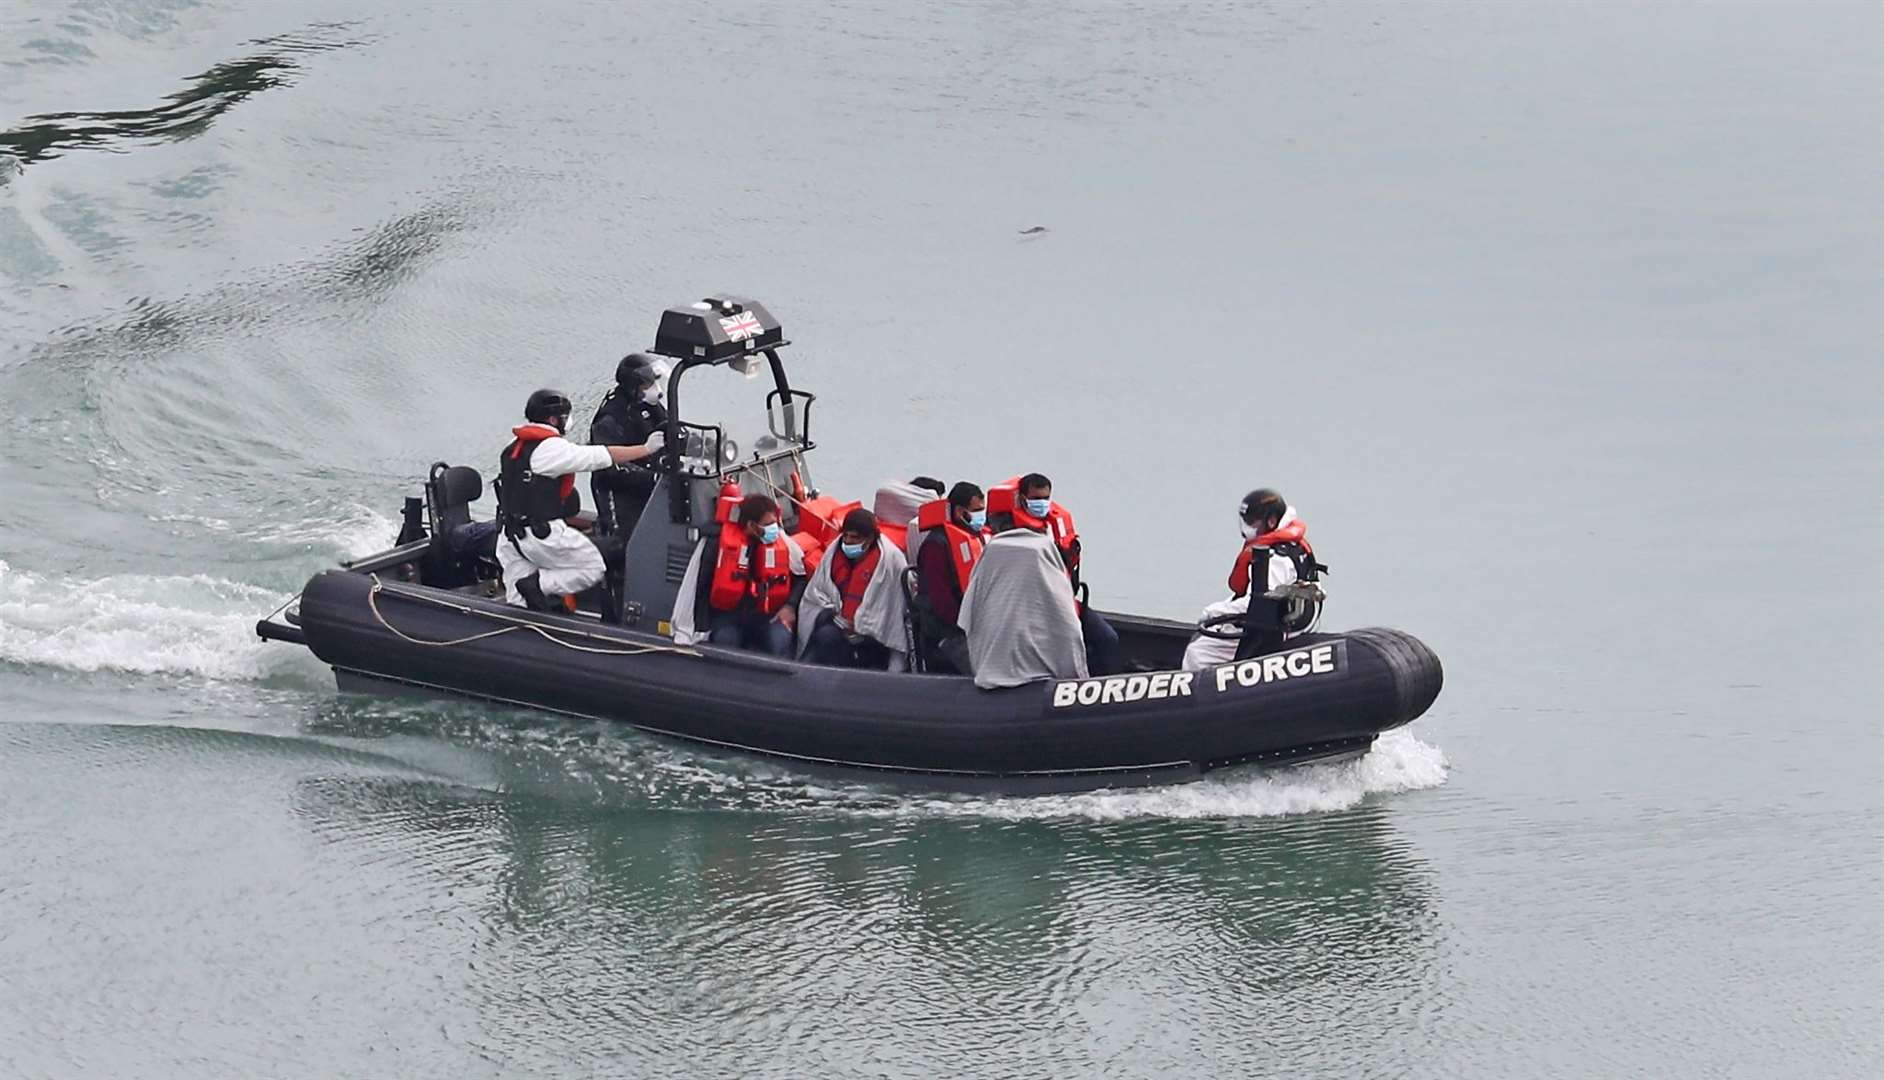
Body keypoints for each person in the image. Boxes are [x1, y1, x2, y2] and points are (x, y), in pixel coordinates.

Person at [497, 388, 665, 611]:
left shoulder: (514, 445)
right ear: (554, 419)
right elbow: (601, 456)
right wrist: (645, 449)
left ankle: (524, 625)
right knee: (592, 568)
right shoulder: (551, 448)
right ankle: (538, 584)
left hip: (510, 536)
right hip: (542, 536)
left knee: (517, 601)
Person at [1181, 488, 1323, 669]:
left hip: (1269, 628)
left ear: (1271, 521)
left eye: (1253, 522)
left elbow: (1257, 603)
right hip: (1284, 623)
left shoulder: (1275, 558)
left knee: (1198, 652)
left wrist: (1214, 611)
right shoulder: (1294, 546)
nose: (1248, 528)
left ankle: (1199, 693)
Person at [958, 515, 1088, 689]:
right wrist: (1080, 679)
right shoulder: (1045, 570)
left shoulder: (990, 563)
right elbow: (1068, 630)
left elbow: (968, 618)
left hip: (991, 674)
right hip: (1037, 680)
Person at [1010, 472, 1121, 676]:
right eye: (1036, 499)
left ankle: (1102, 687)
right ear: (1023, 499)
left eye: (1045, 498)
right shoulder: (1010, 533)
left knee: (1107, 638)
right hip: (1036, 609)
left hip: (1066, 601)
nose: (1041, 503)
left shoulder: (1054, 526)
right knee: (1067, 645)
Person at [797, 508, 909, 669]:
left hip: (874, 638)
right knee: (824, 637)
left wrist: (863, 626)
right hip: (837, 625)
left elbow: (895, 612)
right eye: (846, 536)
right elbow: (816, 594)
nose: (848, 541)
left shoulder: (892, 561)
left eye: (854, 538)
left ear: (869, 538)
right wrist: (831, 615)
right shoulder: (833, 554)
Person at [700, 494, 807, 656]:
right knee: (726, 640)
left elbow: (801, 579)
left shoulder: (783, 545)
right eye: (768, 524)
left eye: (775, 523)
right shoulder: (718, 546)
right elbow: (700, 585)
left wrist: (790, 606)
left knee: (780, 639)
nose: (774, 529)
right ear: (751, 525)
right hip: (730, 617)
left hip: (767, 617)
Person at [587, 352, 670, 538]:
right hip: (616, 490)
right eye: (647, 384)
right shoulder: (611, 417)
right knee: (624, 540)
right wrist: (653, 478)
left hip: (648, 483)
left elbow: (669, 429)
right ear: (633, 386)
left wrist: (704, 446)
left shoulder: (649, 405)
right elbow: (609, 465)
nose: (655, 389)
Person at [912, 481, 987, 671]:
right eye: (976, 511)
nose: (981, 517)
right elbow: (941, 601)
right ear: (960, 512)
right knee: (980, 668)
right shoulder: (936, 546)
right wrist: (968, 626)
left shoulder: (975, 539)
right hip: (945, 632)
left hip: (974, 626)